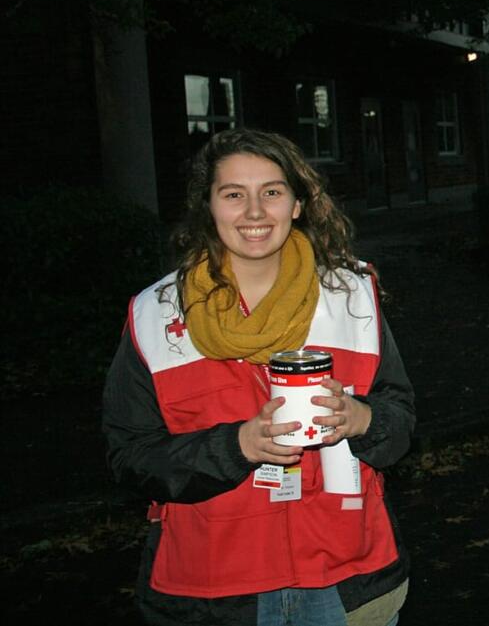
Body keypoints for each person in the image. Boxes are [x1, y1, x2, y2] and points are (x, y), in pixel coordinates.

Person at [103, 128, 415, 626]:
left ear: (296, 204)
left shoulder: (352, 296)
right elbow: (131, 456)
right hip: (214, 591)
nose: (253, 212)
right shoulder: (155, 315)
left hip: (347, 580)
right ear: (209, 206)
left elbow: (399, 419)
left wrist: (363, 420)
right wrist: (237, 447)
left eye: (271, 192)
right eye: (233, 195)